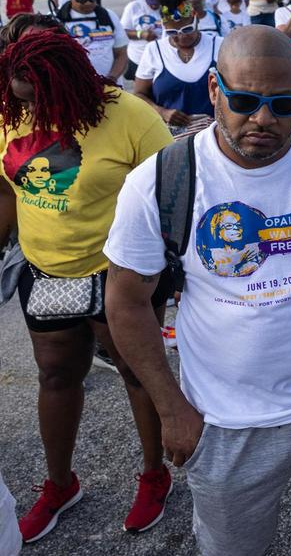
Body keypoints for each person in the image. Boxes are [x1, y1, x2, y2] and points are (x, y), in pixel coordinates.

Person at [103, 26, 291, 556]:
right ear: (214, 89)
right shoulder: (162, 179)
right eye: (244, 100)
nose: (263, 119)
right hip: (222, 421)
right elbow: (125, 302)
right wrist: (172, 410)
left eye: (283, 104)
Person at [0, 29, 174, 543]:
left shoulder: (130, 115)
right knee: (55, 375)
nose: (34, 111)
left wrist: (171, 270)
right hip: (47, 269)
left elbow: (174, 190)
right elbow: (7, 189)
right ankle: (60, 485)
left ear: (70, 83)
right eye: (21, 99)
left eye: (41, 100)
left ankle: (154, 475)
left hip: (120, 272)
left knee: (137, 371)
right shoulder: (11, 108)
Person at [133, 0, 222, 134]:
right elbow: (138, 94)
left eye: (187, 29)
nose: (181, 36)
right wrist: (162, 112)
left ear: (196, 20)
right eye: (172, 32)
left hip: (213, 136)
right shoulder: (154, 50)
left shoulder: (219, 45)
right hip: (168, 138)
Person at [56, 0, 128, 79]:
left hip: (110, 88)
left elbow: (121, 54)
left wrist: (112, 78)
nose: (88, 3)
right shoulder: (57, 20)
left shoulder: (109, 16)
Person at [120, 0, 166, 80]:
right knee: (140, 93)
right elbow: (122, 31)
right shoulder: (133, 7)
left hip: (163, 59)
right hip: (138, 59)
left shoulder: (169, 6)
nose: (154, 6)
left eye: (157, 2)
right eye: (151, 1)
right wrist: (141, 34)